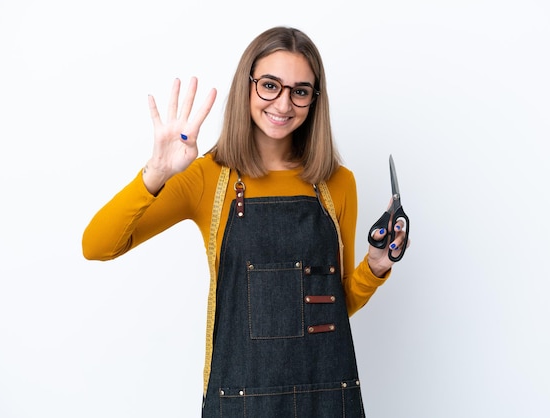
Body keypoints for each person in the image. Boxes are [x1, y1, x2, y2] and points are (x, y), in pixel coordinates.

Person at [82, 26, 408, 417]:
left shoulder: (337, 183)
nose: (283, 104)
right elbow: (97, 245)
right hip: (239, 402)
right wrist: (156, 172)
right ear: (247, 85)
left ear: (314, 100)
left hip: (326, 400)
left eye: (300, 91)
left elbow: (331, 308)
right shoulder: (207, 178)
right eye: (270, 85)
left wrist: (375, 267)